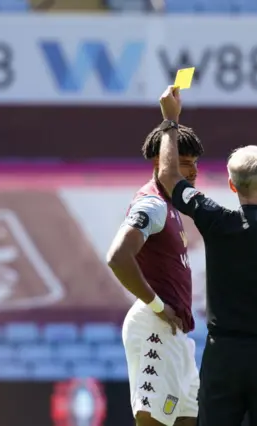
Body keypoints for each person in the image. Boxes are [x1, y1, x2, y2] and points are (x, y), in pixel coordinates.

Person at [155, 85, 257, 426]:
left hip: (224, 356)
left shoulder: (216, 220)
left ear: (233, 185)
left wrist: (170, 122)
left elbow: (168, 176)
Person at [105, 122, 204, 426]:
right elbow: (118, 258)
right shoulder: (153, 204)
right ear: (159, 163)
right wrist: (158, 306)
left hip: (177, 335)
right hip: (154, 327)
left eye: (195, 165)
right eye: (185, 164)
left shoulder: (173, 208)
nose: (193, 173)